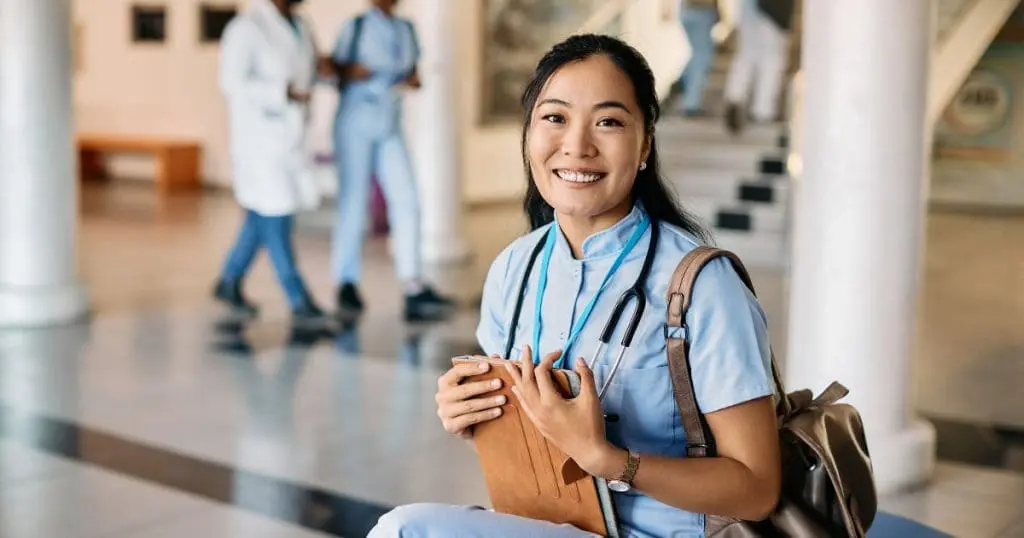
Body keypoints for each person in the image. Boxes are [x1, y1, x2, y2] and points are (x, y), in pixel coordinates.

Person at [367, 34, 782, 537]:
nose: (578, 146)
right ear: (528, 133)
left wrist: (608, 459)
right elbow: (522, 437)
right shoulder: (513, 270)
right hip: (545, 520)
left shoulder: (700, 286)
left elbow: (757, 491)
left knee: (406, 530)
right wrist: (469, 415)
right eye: (555, 118)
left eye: (608, 121)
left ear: (646, 142)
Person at [328, 0, 455, 322]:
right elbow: (334, 69)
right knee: (353, 202)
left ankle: (413, 285)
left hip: (389, 122)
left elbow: (413, 72)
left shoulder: (406, 29)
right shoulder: (355, 27)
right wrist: (349, 71)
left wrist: (412, 79)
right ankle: (346, 282)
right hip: (355, 121)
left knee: (408, 199)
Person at [213, 0, 331, 321]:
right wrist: (283, 91)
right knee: (276, 215)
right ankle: (298, 298)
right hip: (259, 140)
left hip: (290, 138)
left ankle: (229, 278)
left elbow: (310, 69)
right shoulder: (246, 28)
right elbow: (231, 82)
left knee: (260, 214)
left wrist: (330, 72)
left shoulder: (301, 25)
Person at [722, 0, 794, 133]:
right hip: (772, 11)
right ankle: (763, 109)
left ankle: (735, 96)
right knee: (772, 60)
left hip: (749, 6)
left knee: (747, 54)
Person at [676, 0, 720, 117]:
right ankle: (691, 103)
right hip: (701, 11)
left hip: (686, 10)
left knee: (697, 54)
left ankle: (681, 82)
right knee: (702, 56)